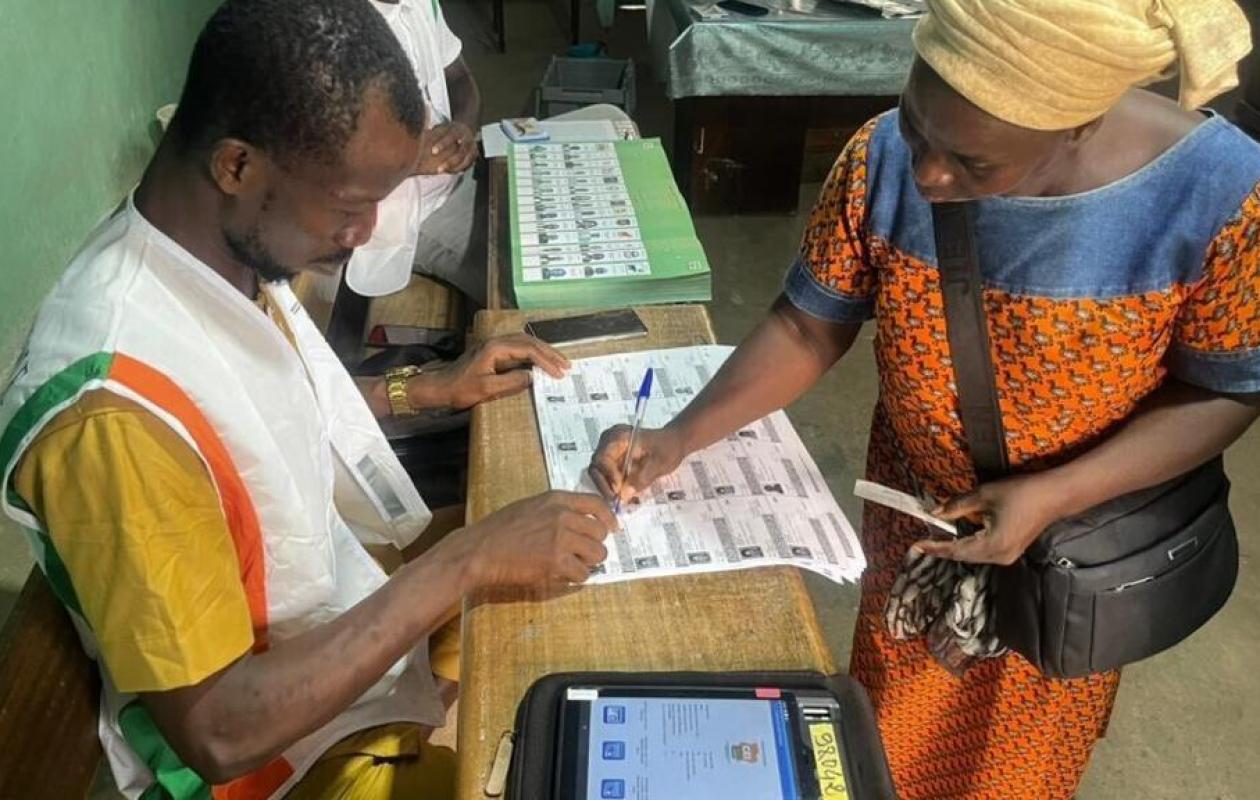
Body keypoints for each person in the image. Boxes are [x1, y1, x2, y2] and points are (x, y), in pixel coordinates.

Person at [588, 0, 1258, 797]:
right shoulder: (882, 155)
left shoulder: (1221, 198)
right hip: (913, 517)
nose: (931, 174)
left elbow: (1225, 393)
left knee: (1015, 765)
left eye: (976, 166)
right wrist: (680, 436)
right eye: (918, 126)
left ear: (1079, 124)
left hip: (1069, 550)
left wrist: (1053, 494)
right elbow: (807, 329)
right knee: (878, 736)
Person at [0, 2, 614, 798]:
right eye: (351, 204)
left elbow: (251, 412)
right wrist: (467, 559)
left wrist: (431, 385)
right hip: (286, 763)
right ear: (236, 166)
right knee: (554, 728)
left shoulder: (205, 254)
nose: (365, 232)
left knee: (567, 584)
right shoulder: (111, 421)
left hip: (346, 626)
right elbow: (219, 730)